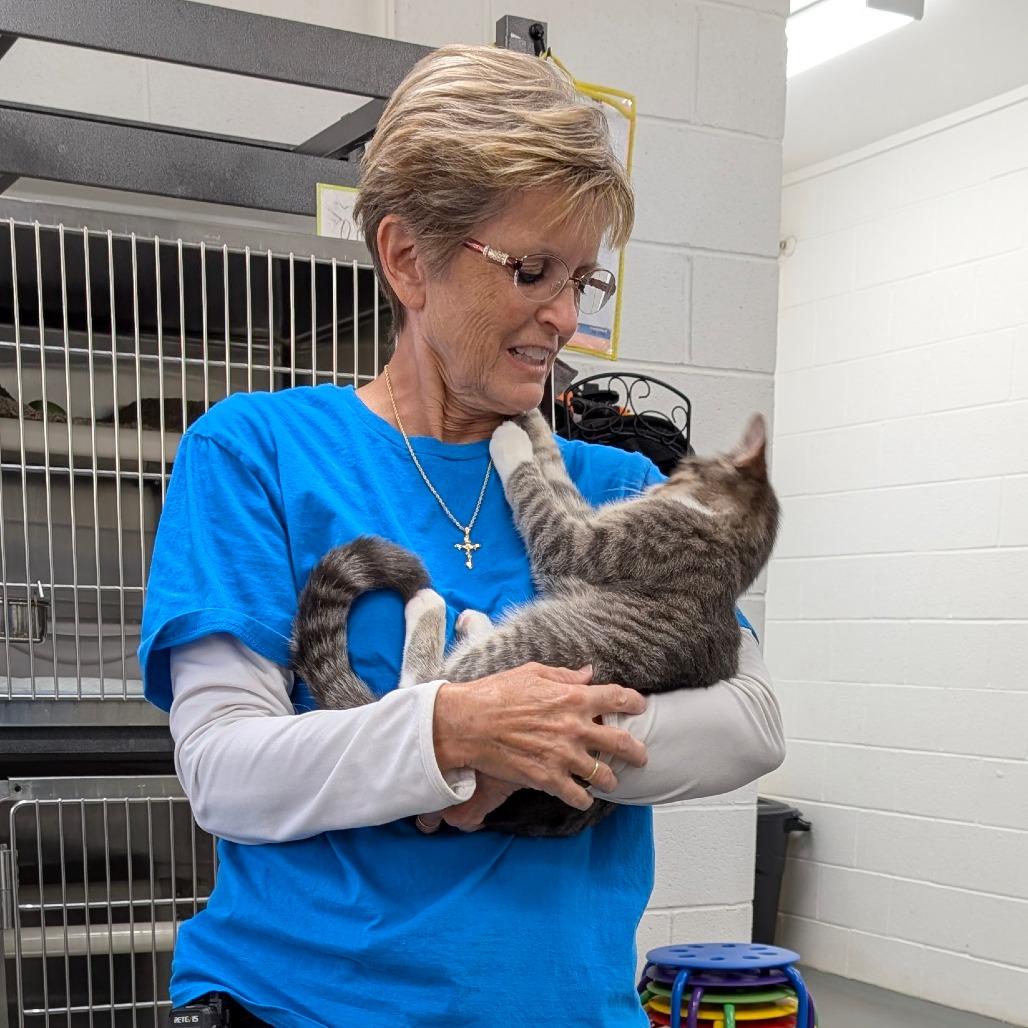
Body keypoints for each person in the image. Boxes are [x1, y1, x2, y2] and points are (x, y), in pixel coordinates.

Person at [139, 43, 785, 1027]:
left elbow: (748, 721)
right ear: (407, 258)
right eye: (531, 271)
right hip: (302, 1004)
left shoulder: (618, 482)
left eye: (584, 281)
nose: (564, 316)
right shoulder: (259, 451)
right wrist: (449, 729)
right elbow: (227, 770)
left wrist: (525, 742)